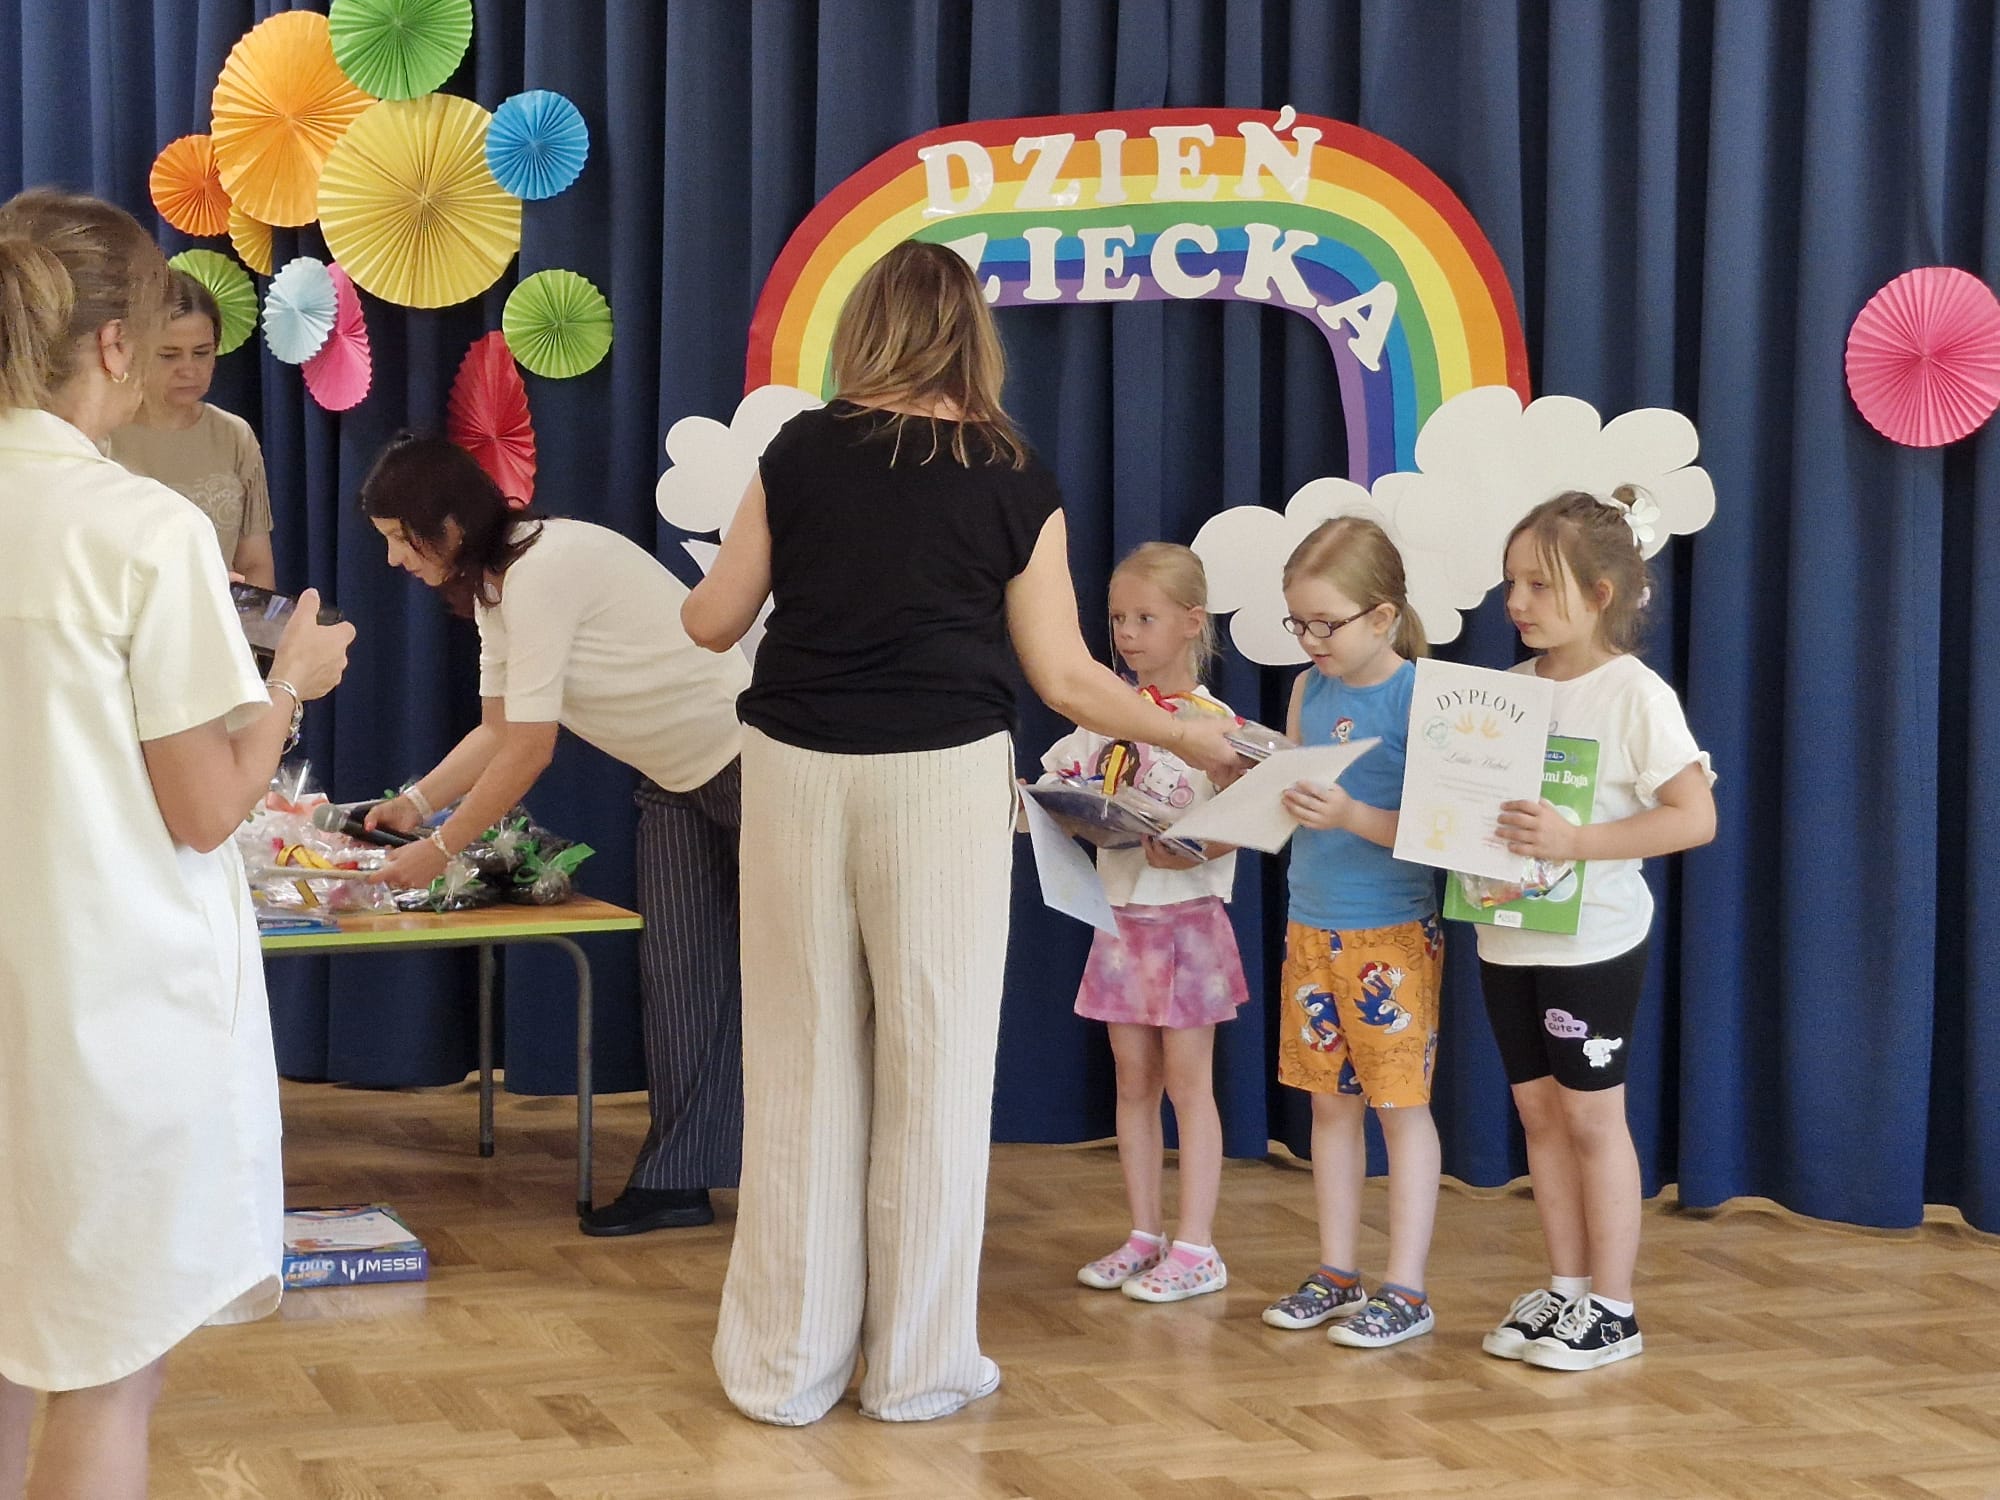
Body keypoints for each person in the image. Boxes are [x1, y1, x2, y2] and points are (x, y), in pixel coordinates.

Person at [685, 240, 1244, 1426]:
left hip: (792, 770)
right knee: (933, 1069)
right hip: (940, 778)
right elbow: (1064, 676)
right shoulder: (1010, 472)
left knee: (799, 1061)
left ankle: (784, 1371)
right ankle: (918, 1370)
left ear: (866, 327)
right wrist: (1185, 735)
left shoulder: (798, 449)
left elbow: (710, 621)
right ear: (969, 336)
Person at [0, 188, 352, 1500]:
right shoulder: (141, 531)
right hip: (108, 1008)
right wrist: (291, 685)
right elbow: (203, 806)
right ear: (112, 346)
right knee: (105, 1368)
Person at [358, 436, 751, 1236]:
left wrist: (438, 849)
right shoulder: (498, 589)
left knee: (800, 974)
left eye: (402, 538)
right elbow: (499, 729)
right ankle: (677, 1181)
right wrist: (416, 804)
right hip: (673, 780)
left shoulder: (545, 569)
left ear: (449, 526)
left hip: (749, 763)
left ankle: (825, 1180)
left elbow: (532, 749)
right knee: (680, 978)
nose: (394, 559)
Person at [1474, 488, 1716, 1371]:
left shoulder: (1634, 695)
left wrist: (1577, 842)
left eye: (1539, 584)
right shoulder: (1503, 692)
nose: (1517, 601)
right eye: (1510, 582)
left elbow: (1694, 817)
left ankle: (1614, 1306)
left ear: (1601, 594)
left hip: (1593, 944)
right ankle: (1567, 1287)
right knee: (1538, 1114)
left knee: (1589, 1118)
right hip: (1504, 936)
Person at [1039, 543, 1247, 1304]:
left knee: (1189, 1086)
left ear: (1192, 622)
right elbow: (1057, 784)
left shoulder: (1217, 727)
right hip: (1120, 920)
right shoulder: (1105, 716)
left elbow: (1246, 823)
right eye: (1118, 618)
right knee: (1133, 1081)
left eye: (1145, 618)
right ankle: (1143, 1234)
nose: (1126, 634)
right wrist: (1054, 807)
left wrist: (1192, 846)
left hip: (1187, 924)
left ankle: (1197, 1246)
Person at [1260, 517, 1445, 1349]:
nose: (1310, 641)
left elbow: (1441, 832)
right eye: (1298, 623)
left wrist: (1350, 815)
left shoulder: (1421, 697)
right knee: (1328, 1107)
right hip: (1311, 926)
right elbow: (1293, 793)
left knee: (1399, 1109)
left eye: (1325, 624)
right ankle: (1338, 1271)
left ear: (1382, 615)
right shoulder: (1310, 688)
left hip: (1392, 934)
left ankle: (1407, 1288)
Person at [104, 268, 275, 588]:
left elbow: (255, 564)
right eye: (169, 355)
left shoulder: (234, 435)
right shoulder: (101, 436)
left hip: (219, 615)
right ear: (131, 352)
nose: (189, 369)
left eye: (201, 353)